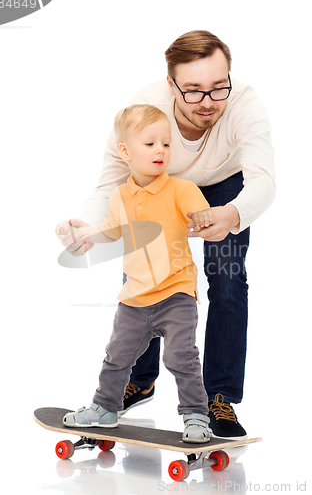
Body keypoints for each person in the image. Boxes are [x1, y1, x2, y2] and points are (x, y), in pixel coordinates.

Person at [56, 30, 275, 439]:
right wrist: (86, 226)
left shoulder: (245, 105)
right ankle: (139, 381)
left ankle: (218, 397)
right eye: (192, 90)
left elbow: (263, 180)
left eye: (217, 87)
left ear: (229, 76)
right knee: (141, 273)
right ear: (171, 84)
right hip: (161, 180)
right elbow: (110, 183)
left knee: (227, 281)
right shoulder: (144, 109)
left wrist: (233, 213)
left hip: (226, 188)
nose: (208, 102)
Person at [59, 104, 213, 443]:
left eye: (166, 143)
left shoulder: (180, 189)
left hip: (176, 292)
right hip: (135, 297)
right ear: (125, 151)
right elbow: (111, 231)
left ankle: (196, 416)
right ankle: (105, 408)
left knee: (180, 357)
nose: (161, 150)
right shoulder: (120, 195)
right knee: (117, 356)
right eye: (150, 143)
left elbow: (199, 211)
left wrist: (203, 216)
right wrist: (81, 234)